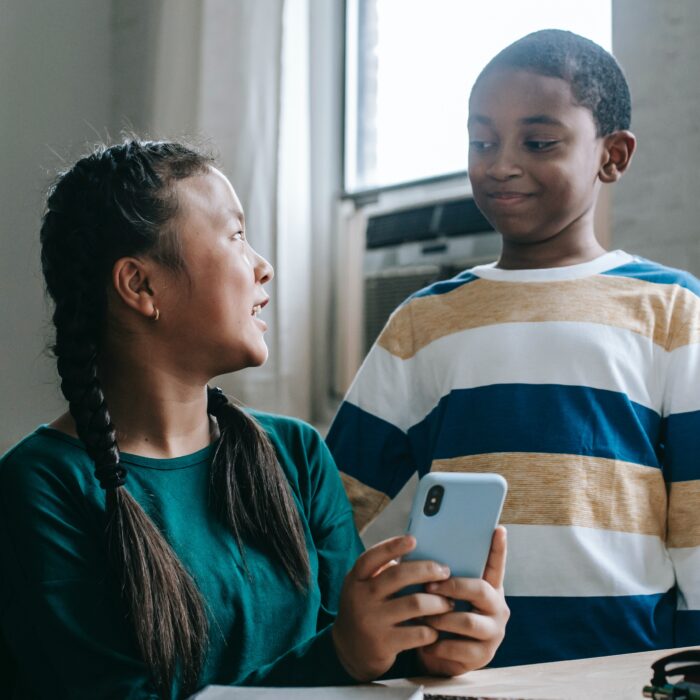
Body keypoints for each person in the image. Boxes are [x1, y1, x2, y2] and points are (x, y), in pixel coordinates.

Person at [0, 140, 509, 699]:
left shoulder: (296, 453)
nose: (263, 267)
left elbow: (353, 662)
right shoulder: (37, 489)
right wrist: (342, 654)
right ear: (141, 285)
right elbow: (334, 656)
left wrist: (424, 649)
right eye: (236, 237)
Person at [327, 29, 700, 666]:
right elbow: (336, 511)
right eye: (481, 141)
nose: (500, 163)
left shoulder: (673, 309)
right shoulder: (423, 322)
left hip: (625, 671)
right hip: (458, 674)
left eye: (538, 142)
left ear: (613, 155)